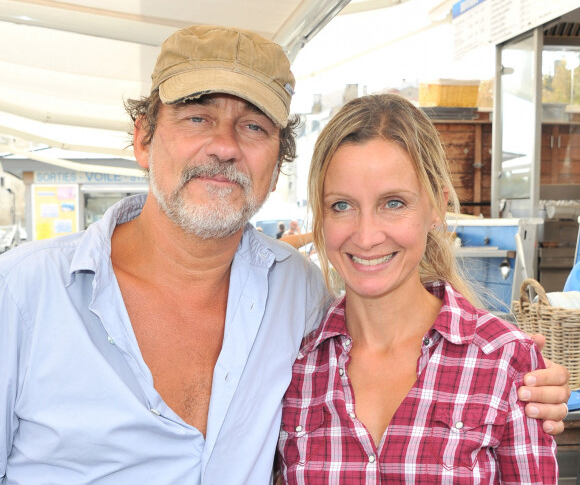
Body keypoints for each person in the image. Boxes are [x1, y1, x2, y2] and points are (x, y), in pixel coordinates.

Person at [0, 27, 568, 485]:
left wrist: (528, 380)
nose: (224, 146)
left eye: (252, 126)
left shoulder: (297, 298)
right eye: (197, 117)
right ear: (144, 137)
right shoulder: (23, 292)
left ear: (276, 162)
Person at [277, 94, 559, 483]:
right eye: (342, 205)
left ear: (436, 207)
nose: (366, 235)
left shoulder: (505, 361)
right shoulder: (293, 366)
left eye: (393, 203)